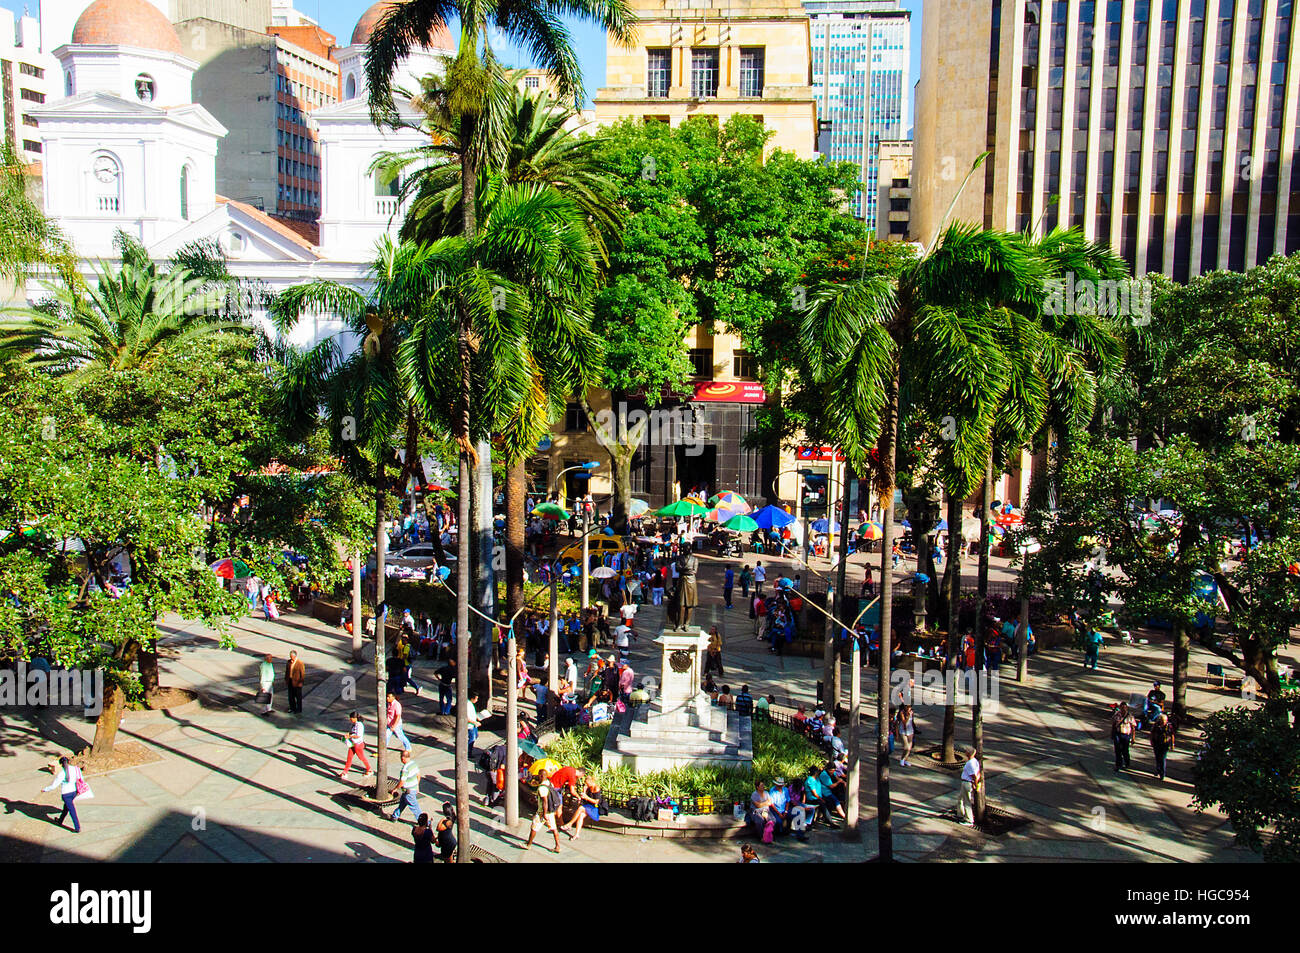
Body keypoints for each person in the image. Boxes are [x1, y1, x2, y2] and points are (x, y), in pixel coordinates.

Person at [43, 756, 87, 833]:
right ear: (69, 762)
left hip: (66, 794)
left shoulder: (62, 773)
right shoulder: (75, 769)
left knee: (71, 810)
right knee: (66, 808)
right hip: (74, 792)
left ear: (61, 764)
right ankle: (60, 820)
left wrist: (45, 789)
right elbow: (81, 778)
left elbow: (54, 786)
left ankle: (77, 827)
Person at [525, 768, 562, 853]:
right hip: (551, 811)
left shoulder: (542, 788)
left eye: (538, 775)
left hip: (542, 812)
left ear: (541, 776)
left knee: (534, 827)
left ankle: (528, 844)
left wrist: (544, 814)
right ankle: (558, 846)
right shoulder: (549, 783)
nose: (537, 776)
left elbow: (545, 801)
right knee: (554, 828)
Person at [563, 773, 603, 839]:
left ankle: (570, 823)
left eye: (587, 783)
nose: (587, 785)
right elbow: (583, 799)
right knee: (581, 815)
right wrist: (584, 791)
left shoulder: (596, 788)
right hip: (588, 806)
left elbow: (596, 802)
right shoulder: (588, 788)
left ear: (591, 781)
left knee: (581, 808)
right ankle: (577, 834)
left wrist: (587, 797)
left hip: (595, 807)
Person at [390, 749, 421, 822]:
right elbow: (418, 775)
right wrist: (417, 786)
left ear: (403, 758)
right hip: (410, 790)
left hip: (408, 791)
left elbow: (402, 782)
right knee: (402, 804)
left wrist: (395, 789)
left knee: (415, 808)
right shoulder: (413, 764)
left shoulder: (405, 769)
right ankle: (395, 816)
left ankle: (424, 822)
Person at [339, 712, 372, 779]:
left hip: (358, 744)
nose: (350, 720)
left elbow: (358, 735)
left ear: (355, 718)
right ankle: (345, 772)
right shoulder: (354, 724)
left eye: (351, 718)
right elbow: (353, 732)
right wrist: (349, 734)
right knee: (349, 758)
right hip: (353, 743)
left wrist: (350, 736)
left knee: (361, 757)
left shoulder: (359, 725)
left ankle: (369, 769)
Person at [1111, 701, 1137, 771]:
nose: (1123, 709)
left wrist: (1133, 738)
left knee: (1125, 750)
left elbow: (1133, 728)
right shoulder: (1116, 715)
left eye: (1125, 708)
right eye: (1122, 707)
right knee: (1117, 750)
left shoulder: (1130, 716)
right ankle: (1118, 765)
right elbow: (1113, 724)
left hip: (1126, 735)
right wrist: (1112, 734)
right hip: (1118, 734)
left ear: (1127, 708)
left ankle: (1127, 763)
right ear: (1120, 708)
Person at [958, 749, 981, 826]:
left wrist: (975, 783)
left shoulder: (970, 764)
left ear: (969, 754)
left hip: (967, 783)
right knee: (960, 799)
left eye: (966, 751)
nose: (965, 752)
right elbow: (978, 773)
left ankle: (969, 820)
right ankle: (961, 815)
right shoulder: (975, 761)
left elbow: (974, 775)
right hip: (966, 782)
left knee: (967, 802)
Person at [1150, 713, 1175, 781]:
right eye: (1163, 720)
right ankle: (1158, 770)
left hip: (1164, 744)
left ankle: (1162, 774)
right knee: (1157, 757)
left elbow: (1172, 735)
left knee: (1162, 759)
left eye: (1165, 720)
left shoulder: (1169, 726)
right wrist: (1151, 741)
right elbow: (1152, 733)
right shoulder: (1156, 725)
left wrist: (1172, 744)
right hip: (1156, 743)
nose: (1164, 721)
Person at [466, 691, 483, 757]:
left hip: (473, 725)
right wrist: (475, 722)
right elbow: (467, 717)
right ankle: (468, 752)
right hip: (471, 725)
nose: (477, 700)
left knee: (475, 736)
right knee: (472, 738)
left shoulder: (471, 704)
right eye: (476, 699)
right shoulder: (468, 705)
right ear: (472, 698)